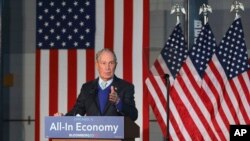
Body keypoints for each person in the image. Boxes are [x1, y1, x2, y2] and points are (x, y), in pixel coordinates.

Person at [54, 48, 138, 121]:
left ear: (116, 65)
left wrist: (118, 102)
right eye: (103, 63)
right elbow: (78, 111)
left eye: (111, 63)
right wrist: (63, 119)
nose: (107, 68)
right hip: (92, 137)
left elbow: (133, 115)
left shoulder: (126, 87)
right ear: (97, 65)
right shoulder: (87, 88)